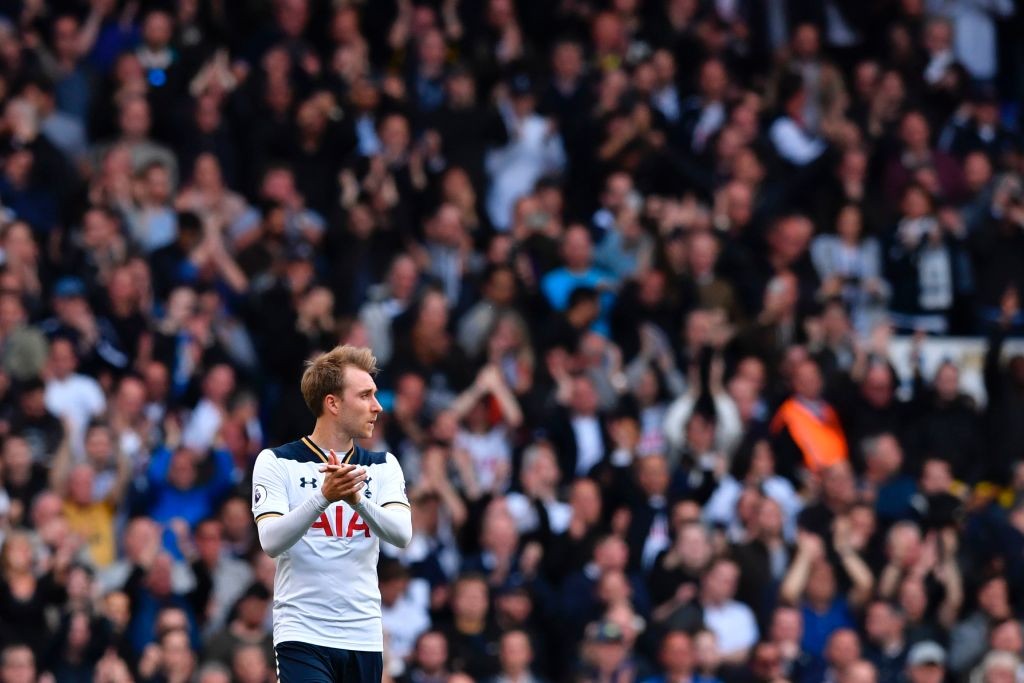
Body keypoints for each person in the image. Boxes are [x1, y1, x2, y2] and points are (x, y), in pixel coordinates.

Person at [251, 345, 412, 682]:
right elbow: (270, 541)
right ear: (333, 403)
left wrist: (357, 501)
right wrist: (323, 497)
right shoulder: (277, 462)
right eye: (365, 395)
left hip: (363, 634)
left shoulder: (382, 466)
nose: (377, 406)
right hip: (302, 633)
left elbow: (402, 534)